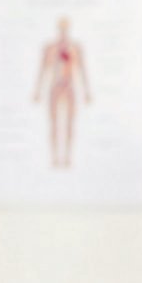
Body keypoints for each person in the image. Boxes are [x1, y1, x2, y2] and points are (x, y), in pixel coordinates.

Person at [32, 15, 91, 169]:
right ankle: (55, 158)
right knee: (54, 124)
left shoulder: (76, 48)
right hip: (55, 87)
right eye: (61, 28)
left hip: (69, 86)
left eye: (66, 28)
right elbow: (42, 69)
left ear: (68, 29)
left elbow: (82, 69)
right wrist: (37, 90)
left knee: (69, 123)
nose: (63, 31)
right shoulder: (50, 48)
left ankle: (67, 157)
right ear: (58, 29)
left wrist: (86, 91)